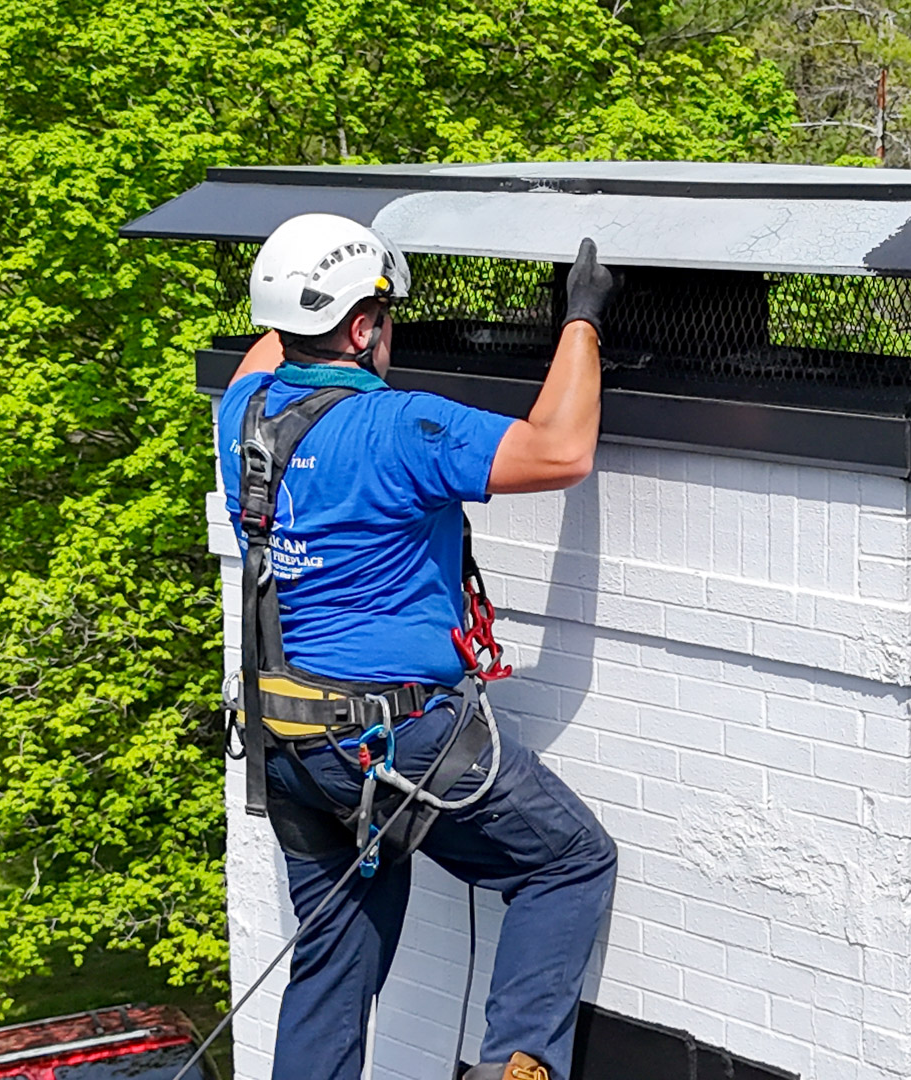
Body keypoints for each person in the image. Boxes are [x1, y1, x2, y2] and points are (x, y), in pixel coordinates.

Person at [217, 213, 618, 1080]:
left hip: (287, 746)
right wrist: (581, 318)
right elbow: (559, 451)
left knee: (334, 953)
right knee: (568, 863)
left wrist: (317, 278)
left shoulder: (243, 415)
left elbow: (274, 343)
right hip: (393, 740)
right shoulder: (403, 430)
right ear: (364, 328)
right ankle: (518, 1070)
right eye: (385, 318)